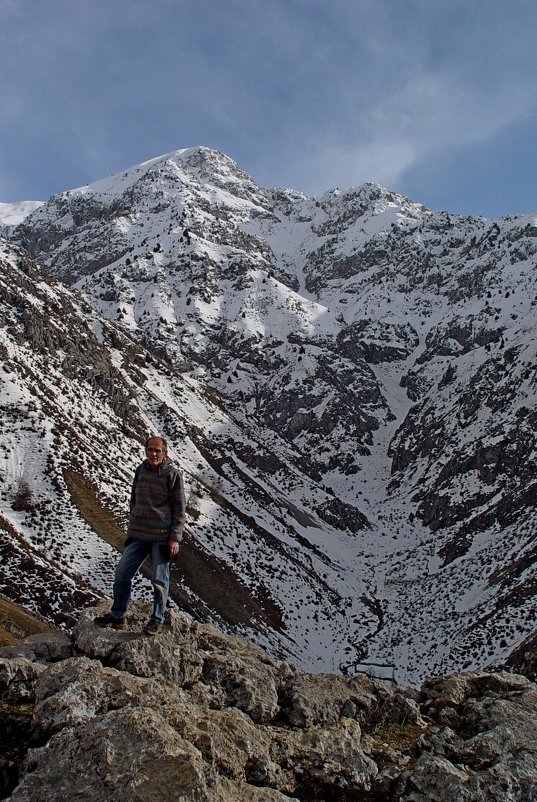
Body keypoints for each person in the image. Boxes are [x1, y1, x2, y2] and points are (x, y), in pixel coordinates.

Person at [95, 435, 186, 635]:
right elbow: (134, 498)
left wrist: (174, 538)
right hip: (138, 536)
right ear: (145, 451)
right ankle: (118, 615)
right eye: (150, 450)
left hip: (161, 538)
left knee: (159, 581)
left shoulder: (172, 475)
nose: (153, 454)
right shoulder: (141, 471)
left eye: (157, 450)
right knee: (122, 574)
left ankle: (157, 618)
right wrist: (134, 520)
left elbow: (179, 509)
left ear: (165, 452)